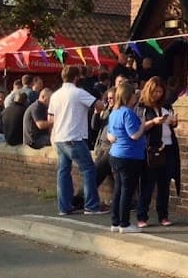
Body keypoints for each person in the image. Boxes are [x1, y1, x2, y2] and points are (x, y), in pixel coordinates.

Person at [48, 66, 102, 216]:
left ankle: (64, 207)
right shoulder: (79, 93)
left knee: (63, 172)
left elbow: (50, 119)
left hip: (58, 137)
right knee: (89, 169)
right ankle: (91, 206)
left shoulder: (55, 95)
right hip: (74, 137)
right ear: (77, 77)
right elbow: (100, 105)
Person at [134, 76, 179, 228]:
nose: (158, 94)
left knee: (164, 185)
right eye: (155, 91)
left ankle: (163, 215)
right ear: (149, 91)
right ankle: (142, 216)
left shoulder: (164, 107)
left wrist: (173, 122)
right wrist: (153, 122)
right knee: (147, 185)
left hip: (168, 148)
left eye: (160, 91)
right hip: (150, 150)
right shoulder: (141, 108)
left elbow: (169, 126)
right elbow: (138, 129)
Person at [106, 81, 147, 232]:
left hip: (115, 154)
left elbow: (111, 134)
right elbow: (134, 135)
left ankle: (115, 222)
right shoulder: (127, 113)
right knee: (127, 190)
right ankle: (125, 223)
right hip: (129, 156)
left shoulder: (114, 113)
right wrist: (143, 124)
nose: (135, 98)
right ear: (129, 97)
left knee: (118, 189)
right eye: (134, 96)